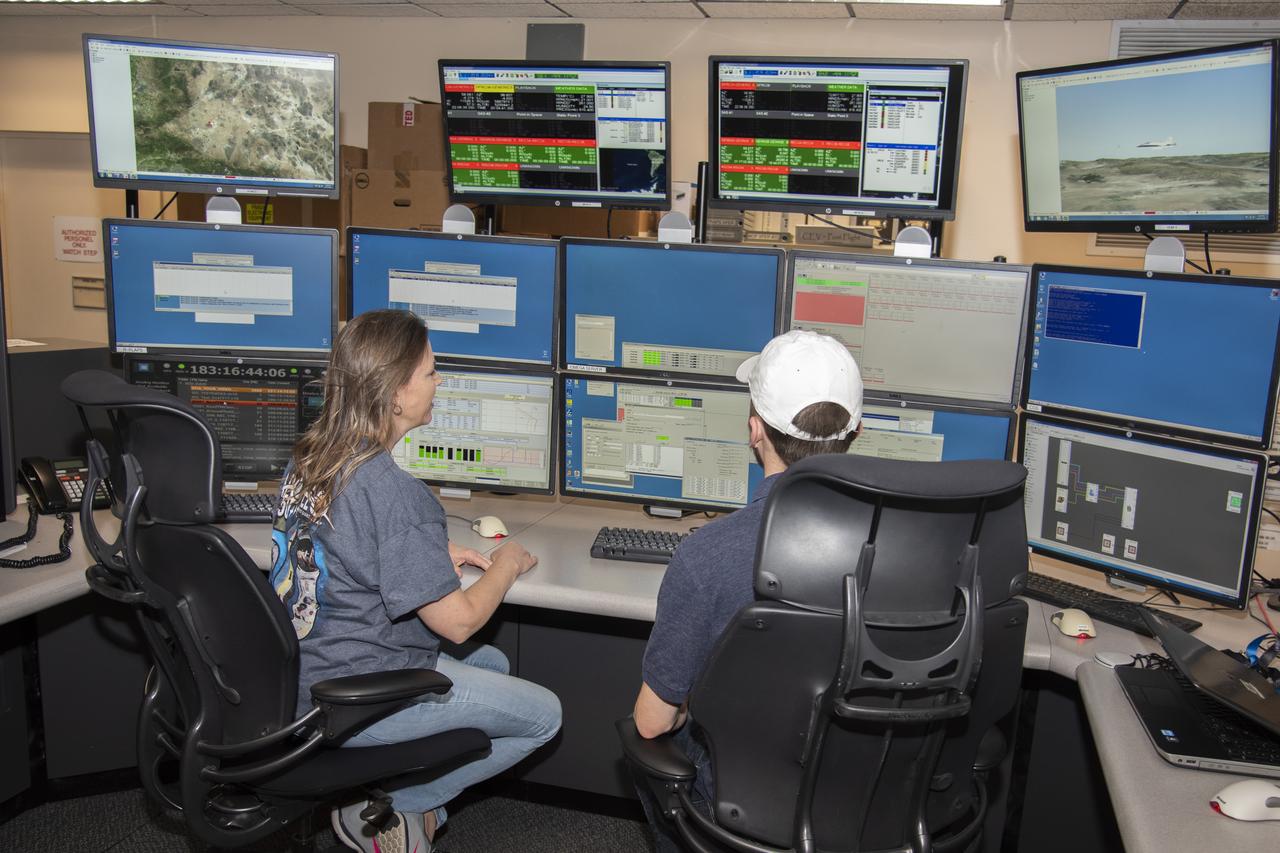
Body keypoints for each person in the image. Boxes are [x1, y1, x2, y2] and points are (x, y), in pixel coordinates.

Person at [270, 309, 562, 853]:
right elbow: (457, 623)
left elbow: (338, 542)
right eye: (430, 371)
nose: (440, 381)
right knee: (545, 716)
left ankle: (383, 800)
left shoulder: (310, 459)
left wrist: (428, 548)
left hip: (300, 677)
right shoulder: (397, 494)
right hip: (359, 697)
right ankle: (398, 808)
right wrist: (506, 564)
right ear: (395, 394)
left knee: (493, 663)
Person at [631, 329, 863, 851]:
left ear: (755, 430)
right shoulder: (918, 553)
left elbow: (651, 723)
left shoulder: (709, 555)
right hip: (872, 792)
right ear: (859, 430)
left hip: (744, 806)